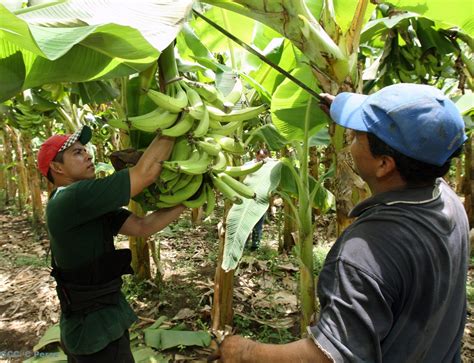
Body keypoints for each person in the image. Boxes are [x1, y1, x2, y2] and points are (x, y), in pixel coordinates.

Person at [211, 83, 469, 362]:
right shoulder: (448, 200)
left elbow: (328, 357)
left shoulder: (366, 252)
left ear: (384, 164)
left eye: (357, 136)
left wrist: (246, 352)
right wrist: (345, 111)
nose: (349, 141)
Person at [37, 126, 186, 363]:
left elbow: (141, 226)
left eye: (85, 150)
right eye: (77, 152)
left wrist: (188, 200)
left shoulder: (82, 204)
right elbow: (144, 174)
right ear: (57, 167)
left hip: (96, 323)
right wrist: (175, 126)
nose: (88, 155)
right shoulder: (73, 197)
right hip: (95, 333)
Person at [247, 148, 270, 251]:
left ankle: (255, 245)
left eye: (265, 158)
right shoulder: (248, 165)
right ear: (256, 156)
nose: (263, 160)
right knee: (247, 222)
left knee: (258, 222)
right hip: (247, 197)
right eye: (261, 157)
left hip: (261, 198)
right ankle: (243, 244)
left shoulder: (268, 166)